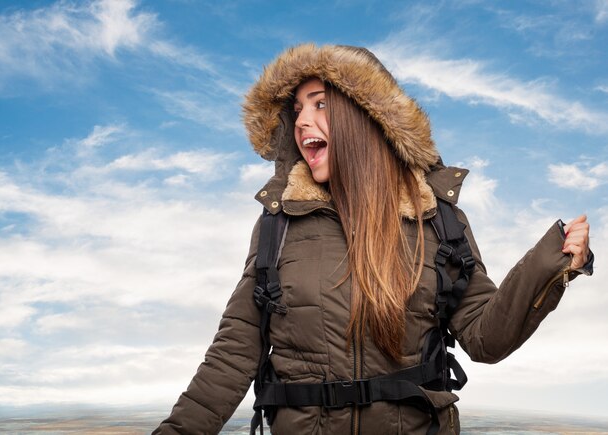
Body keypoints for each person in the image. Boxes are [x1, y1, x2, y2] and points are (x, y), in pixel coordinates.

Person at [153, 44, 592, 435]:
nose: (302, 120)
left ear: (366, 117)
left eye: (321, 104)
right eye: (298, 109)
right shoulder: (277, 223)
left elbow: (484, 337)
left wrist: (550, 264)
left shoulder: (439, 220)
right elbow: (232, 355)